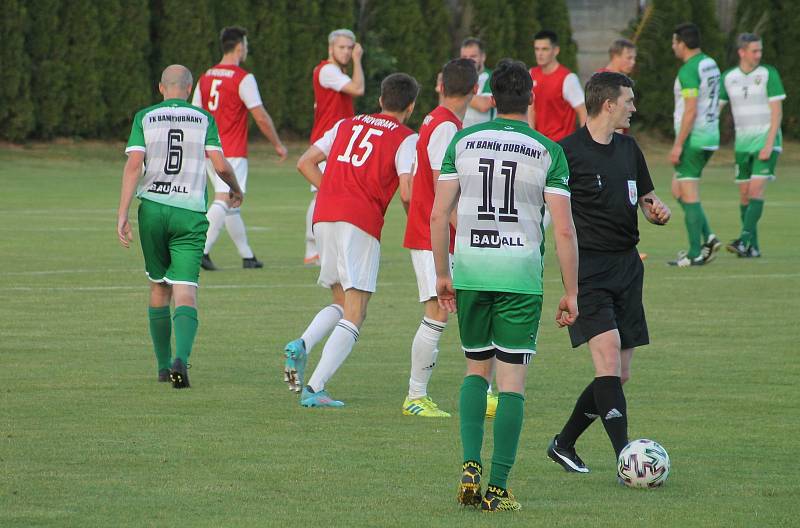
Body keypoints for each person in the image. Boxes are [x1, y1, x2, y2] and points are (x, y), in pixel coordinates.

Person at [433, 59, 579, 512]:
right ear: (531, 97)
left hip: (472, 271)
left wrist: (443, 274)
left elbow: (439, 214)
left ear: (492, 99)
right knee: (512, 381)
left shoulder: (462, 141)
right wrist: (571, 292)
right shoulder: (548, 151)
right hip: (519, 276)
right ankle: (496, 488)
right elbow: (564, 231)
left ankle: (470, 464)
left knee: (476, 369)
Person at [547, 72, 671, 475]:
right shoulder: (567, 153)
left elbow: (647, 198)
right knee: (606, 358)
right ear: (608, 104)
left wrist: (657, 211)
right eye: (629, 101)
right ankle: (628, 460)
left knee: (621, 371)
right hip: (589, 269)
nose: (634, 108)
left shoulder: (629, 148)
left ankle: (564, 443)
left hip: (628, 267)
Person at [284, 73, 419, 407]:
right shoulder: (406, 137)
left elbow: (305, 162)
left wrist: (331, 189)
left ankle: (301, 343)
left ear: (380, 100)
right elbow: (406, 189)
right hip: (359, 221)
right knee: (356, 311)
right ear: (411, 107)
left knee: (343, 302)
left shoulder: (347, 123)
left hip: (324, 216)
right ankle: (314, 388)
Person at [117, 65, 243, 389]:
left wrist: (122, 213)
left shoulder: (144, 117)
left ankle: (162, 367)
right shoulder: (203, 119)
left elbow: (134, 165)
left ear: (161, 88)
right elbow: (218, 163)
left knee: (159, 286)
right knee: (186, 290)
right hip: (189, 212)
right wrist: (234, 187)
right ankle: (180, 360)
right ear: (188, 89)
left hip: (153, 211)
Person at [400, 58, 477, 418]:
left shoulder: (435, 120)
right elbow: (438, 187)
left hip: (433, 230)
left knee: (456, 309)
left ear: (440, 84)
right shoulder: (446, 127)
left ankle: (482, 388)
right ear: (475, 91)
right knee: (437, 311)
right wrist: (467, 232)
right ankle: (415, 395)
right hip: (435, 234)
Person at [192, 26, 287, 271]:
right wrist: (277, 144)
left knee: (232, 202)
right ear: (239, 47)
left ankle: (247, 256)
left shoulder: (205, 77)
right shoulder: (243, 78)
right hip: (231, 151)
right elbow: (261, 116)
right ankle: (200, 250)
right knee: (225, 199)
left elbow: (195, 114)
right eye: (246, 44)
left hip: (208, 151)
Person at [720, 33, 786, 258]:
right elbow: (715, 108)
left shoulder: (768, 74)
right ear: (742, 52)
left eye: (760, 50)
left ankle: (744, 240)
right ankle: (752, 248)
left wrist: (769, 143)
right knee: (745, 195)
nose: (759, 54)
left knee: (756, 189)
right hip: (742, 144)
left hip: (766, 141)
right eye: (754, 51)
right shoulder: (729, 77)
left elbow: (777, 111)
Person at [305, 29, 365, 265]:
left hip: (335, 141)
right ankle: (312, 249)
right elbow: (358, 89)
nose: (347, 52)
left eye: (350, 48)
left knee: (325, 194)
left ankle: (317, 249)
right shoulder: (328, 70)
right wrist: (359, 61)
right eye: (342, 47)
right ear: (331, 49)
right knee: (321, 195)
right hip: (326, 141)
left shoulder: (334, 72)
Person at [668, 23, 721, 267]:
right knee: (678, 189)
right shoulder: (710, 62)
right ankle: (708, 237)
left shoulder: (688, 70)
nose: (672, 46)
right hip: (710, 135)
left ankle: (694, 253)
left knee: (688, 192)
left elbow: (690, 109)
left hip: (693, 138)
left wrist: (678, 145)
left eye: (674, 41)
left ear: (681, 43)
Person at [528, 30, 587, 142]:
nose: (539, 53)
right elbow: (531, 109)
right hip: (539, 145)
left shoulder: (568, 78)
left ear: (556, 51)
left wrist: (584, 142)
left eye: (545, 49)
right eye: (537, 49)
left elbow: (583, 111)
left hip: (561, 145)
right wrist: (532, 140)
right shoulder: (531, 73)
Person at [460, 37, 495, 127]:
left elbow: (484, 105)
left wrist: (456, 91)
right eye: (464, 57)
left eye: (473, 56)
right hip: (462, 135)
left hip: (485, 136)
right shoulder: (458, 77)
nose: (468, 61)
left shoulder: (493, 77)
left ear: (483, 57)